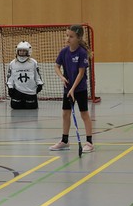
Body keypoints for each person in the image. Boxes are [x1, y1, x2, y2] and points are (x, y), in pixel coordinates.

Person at [49, 24, 94, 153]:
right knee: (65, 114)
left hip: (80, 89)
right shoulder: (64, 52)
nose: (68, 38)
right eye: (67, 35)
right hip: (68, 88)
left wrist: (73, 89)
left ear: (78, 38)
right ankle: (65, 141)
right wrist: (62, 77)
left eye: (71, 36)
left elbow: (81, 73)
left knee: (84, 114)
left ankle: (89, 142)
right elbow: (56, 66)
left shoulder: (82, 53)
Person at [6, 41, 44, 109]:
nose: (22, 52)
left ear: (28, 51)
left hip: (30, 91)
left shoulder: (33, 62)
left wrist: (39, 84)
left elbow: (37, 75)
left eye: (24, 51)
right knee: (16, 107)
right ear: (17, 51)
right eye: (20, 51)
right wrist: (10, 87)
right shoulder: (12, 63)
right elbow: (10, 77)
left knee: (31, 108)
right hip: (17, 91)